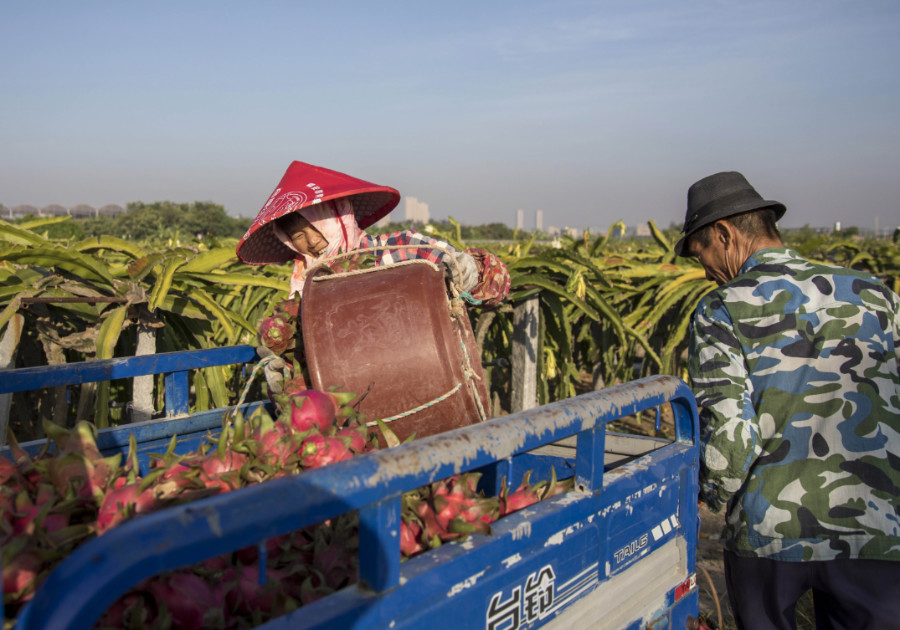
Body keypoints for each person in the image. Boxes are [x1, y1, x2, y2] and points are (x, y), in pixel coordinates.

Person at [676, 171, 900, 629]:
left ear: (724, 234)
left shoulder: (722, 308)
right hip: (876, 529)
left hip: (770, 537)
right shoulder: (876, 296)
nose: (705, 271)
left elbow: (731, 443)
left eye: (703, 254)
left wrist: (703, 499)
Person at [236, 160, 511, 394]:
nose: (312, 241)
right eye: (297, 235)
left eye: (316, 226)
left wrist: (471, 272)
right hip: (356, 407)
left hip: (430, 386)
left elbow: (496, 283)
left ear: (337, 217)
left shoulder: (402, 248)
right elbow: (305, 366)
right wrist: (284, 374)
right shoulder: (303, 287)